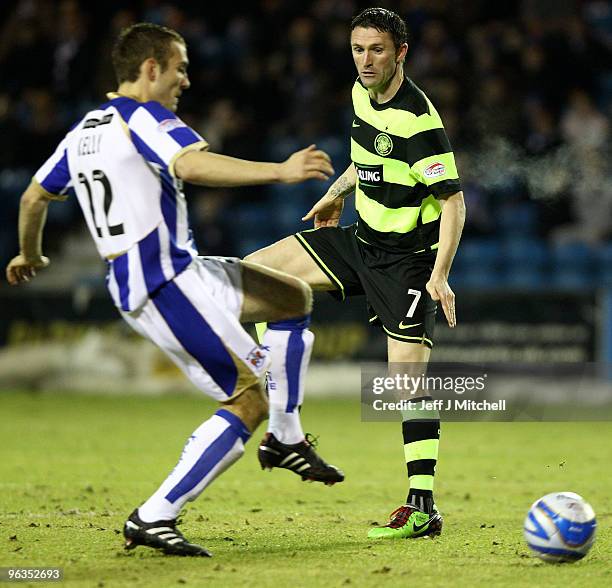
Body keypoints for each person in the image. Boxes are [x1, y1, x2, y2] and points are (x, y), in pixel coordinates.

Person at [5, 22, 343, 557]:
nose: (185, 79)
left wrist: (29, 253)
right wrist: (280, 171)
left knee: (290, 298)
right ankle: (155, 513)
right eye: (180, 67)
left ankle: (287, 437)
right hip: (162, 281)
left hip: (177, 270)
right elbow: (189, 164)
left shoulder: (83, 132)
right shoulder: (144, 116)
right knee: (245, 398)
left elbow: (31, 198)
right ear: (150, 69)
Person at [246, 8, 466, 540]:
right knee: (251, 278)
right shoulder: (358, 93)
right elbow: (366, 158)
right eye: (358, 50)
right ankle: (282, 420)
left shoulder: (420, 121)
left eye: (377, 51)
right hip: (360, 241)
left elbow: (454, 202)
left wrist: (439, 274)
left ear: (401, 54)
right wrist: (334, 193)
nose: (366, 61)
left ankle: (421, 508)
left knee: (404, 386)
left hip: (408, 263)